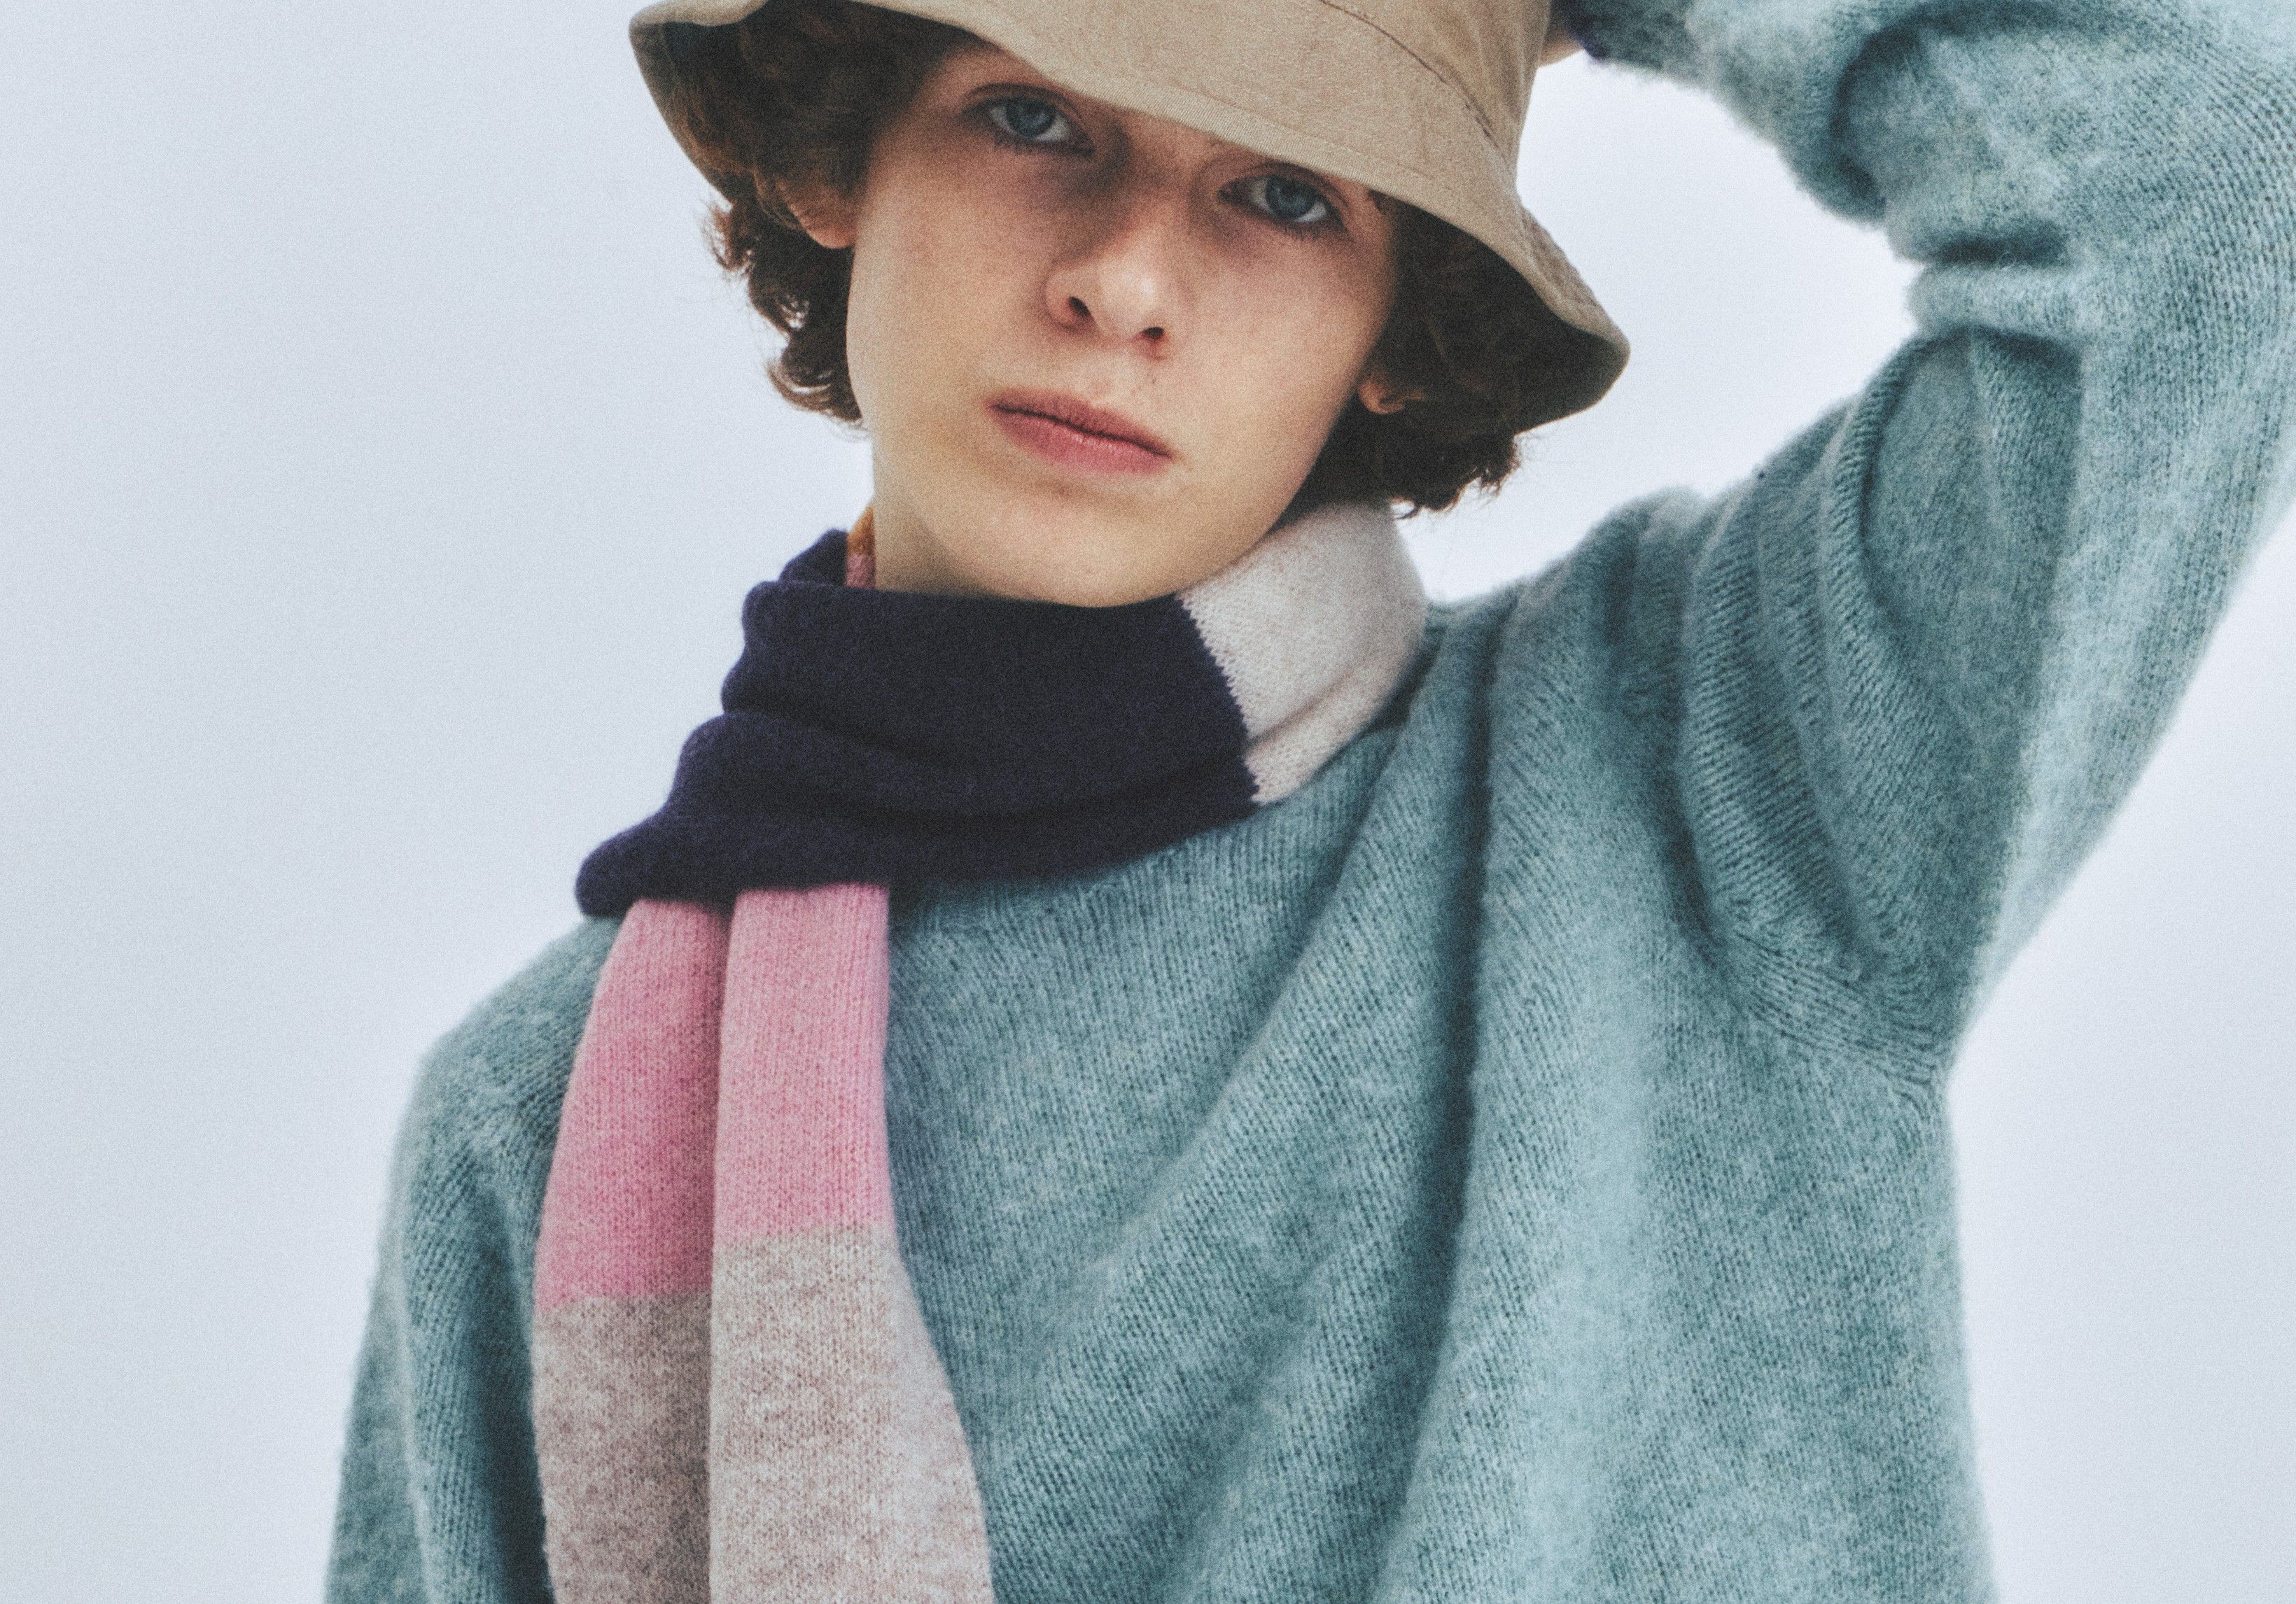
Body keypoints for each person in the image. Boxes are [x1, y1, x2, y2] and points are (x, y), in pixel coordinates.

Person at [324, 0, 2296, 1598]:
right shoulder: (542, 1118)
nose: (1124, 281)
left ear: (1398, 324)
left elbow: (2217, 179)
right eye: (1031, 116)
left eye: (1284, 192)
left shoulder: (1714, 779)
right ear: (839, 156)